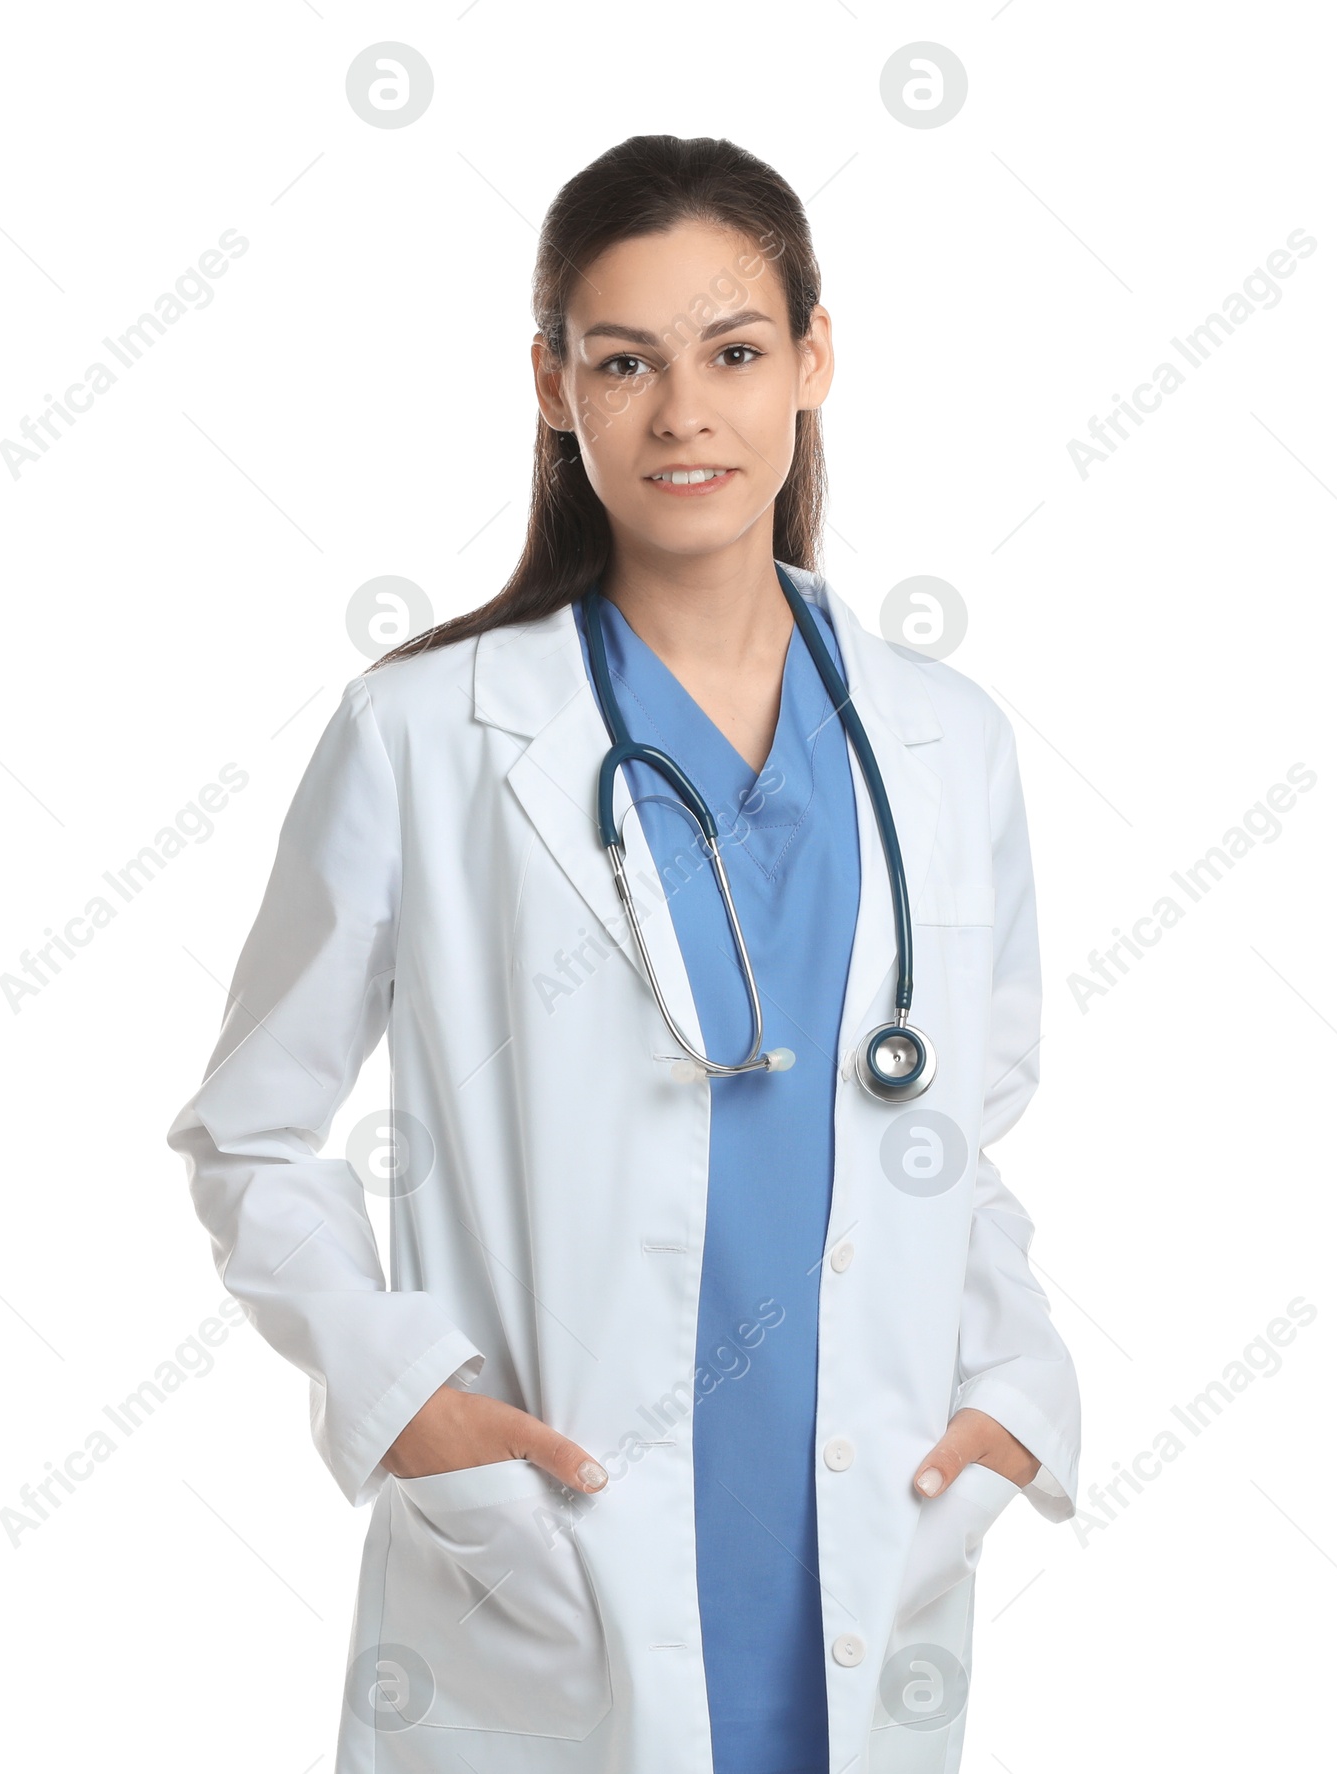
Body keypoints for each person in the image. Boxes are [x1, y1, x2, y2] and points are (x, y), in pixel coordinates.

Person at [168, 132, 1081, 1774]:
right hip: (547, 1547)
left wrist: (1014, 1387)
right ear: (550, 383)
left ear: (814, 357)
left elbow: (954, 1139)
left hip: (860, 1543)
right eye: (624, 362)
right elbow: (247, 1132)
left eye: (734, 354)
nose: (684, 415)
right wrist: (411, 1397)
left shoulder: (944, 744)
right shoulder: (429, 735)